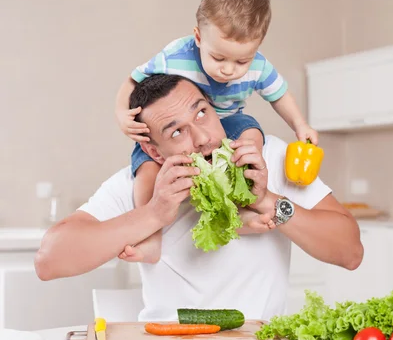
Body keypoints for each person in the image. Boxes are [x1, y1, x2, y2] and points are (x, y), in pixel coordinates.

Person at [35, 75, 363, 322]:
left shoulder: (268, 157)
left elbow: (350, 252)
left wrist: (268, 201)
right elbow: (49, 260)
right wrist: (153, 214)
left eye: (202, 114)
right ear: (153, 151)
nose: (203, 139)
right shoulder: (139, 186)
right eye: (177, 132)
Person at [115, 0, 319, 263]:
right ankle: (150, 237)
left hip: (229, 123)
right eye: (218, 57)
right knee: (146, 171)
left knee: (251, 139)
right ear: (198, 37)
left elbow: (280, 95)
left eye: (241, 62)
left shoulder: (259, 65)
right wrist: (121, 114)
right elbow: (131, 81)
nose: (228, 70)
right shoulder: (175, 55)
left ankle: (241, 210)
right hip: (182, 130)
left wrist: (300, 125)